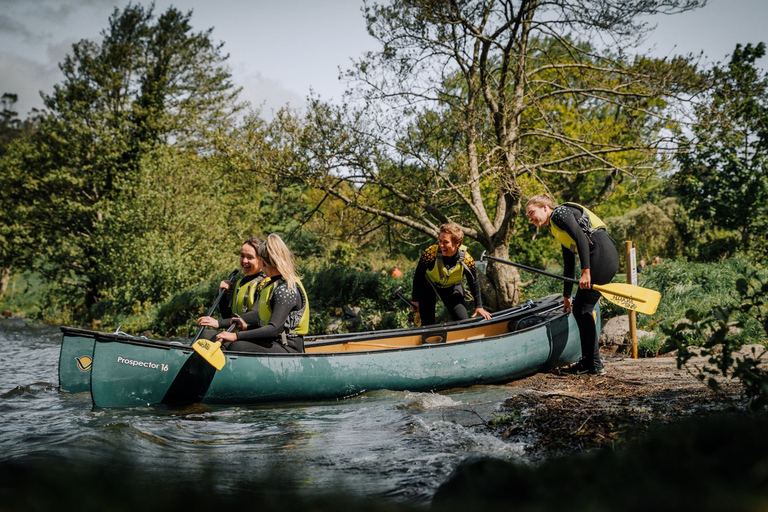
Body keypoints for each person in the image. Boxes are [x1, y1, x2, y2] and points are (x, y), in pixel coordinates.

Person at [525, 194, 619, 375]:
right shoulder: (555, 226)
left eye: (532, 213)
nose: (530, 219)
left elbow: (582, 239)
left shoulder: (560, 213)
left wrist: (586, 271)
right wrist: (566, 296)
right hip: (601, 256)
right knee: (581, 308)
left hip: (600, 254)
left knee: (583, 308)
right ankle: (590, 363)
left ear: (545, 207)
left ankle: (594, 365)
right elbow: (568, 262)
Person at [217, 233, 310, 353]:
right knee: (226, 342)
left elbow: (274, 329)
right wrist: (247, 327)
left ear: (263, 262)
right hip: (271, 342)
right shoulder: (271, 284)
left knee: (237, 346)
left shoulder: (285, 289)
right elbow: (265, 324)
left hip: (287, 347)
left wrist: (236, 336)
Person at [411, 222, 492, 326]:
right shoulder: (430, 253)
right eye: (440, 241)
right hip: (429, 285)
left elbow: (474, 282)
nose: (441, 245)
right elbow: (418, 275)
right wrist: (415, 300)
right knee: (427, 322)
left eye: (445, 242)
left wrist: (479, 306)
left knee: (462, 321)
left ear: (457, 243)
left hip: (452, 287)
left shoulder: (467, 260)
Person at [197, 237, 265, 338]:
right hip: (239, 334)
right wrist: (222, 295)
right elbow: (228, 317)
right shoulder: (241, 283)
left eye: (250, 257)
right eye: (242, 256)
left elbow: (255, 315)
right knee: (203, 335)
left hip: (255, 335)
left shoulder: (265, 284)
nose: (244, 261)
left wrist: (219, 323)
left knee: (207, 336)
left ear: (261, 260)